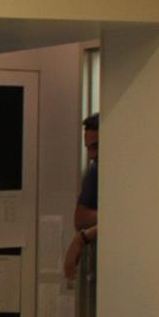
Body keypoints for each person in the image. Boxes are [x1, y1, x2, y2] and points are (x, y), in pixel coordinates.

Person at [62, 113, 98, 279]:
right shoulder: (95, 171)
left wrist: (82, 238)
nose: (91, 155)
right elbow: (81, 219)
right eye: (88, 148)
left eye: (96, 146)